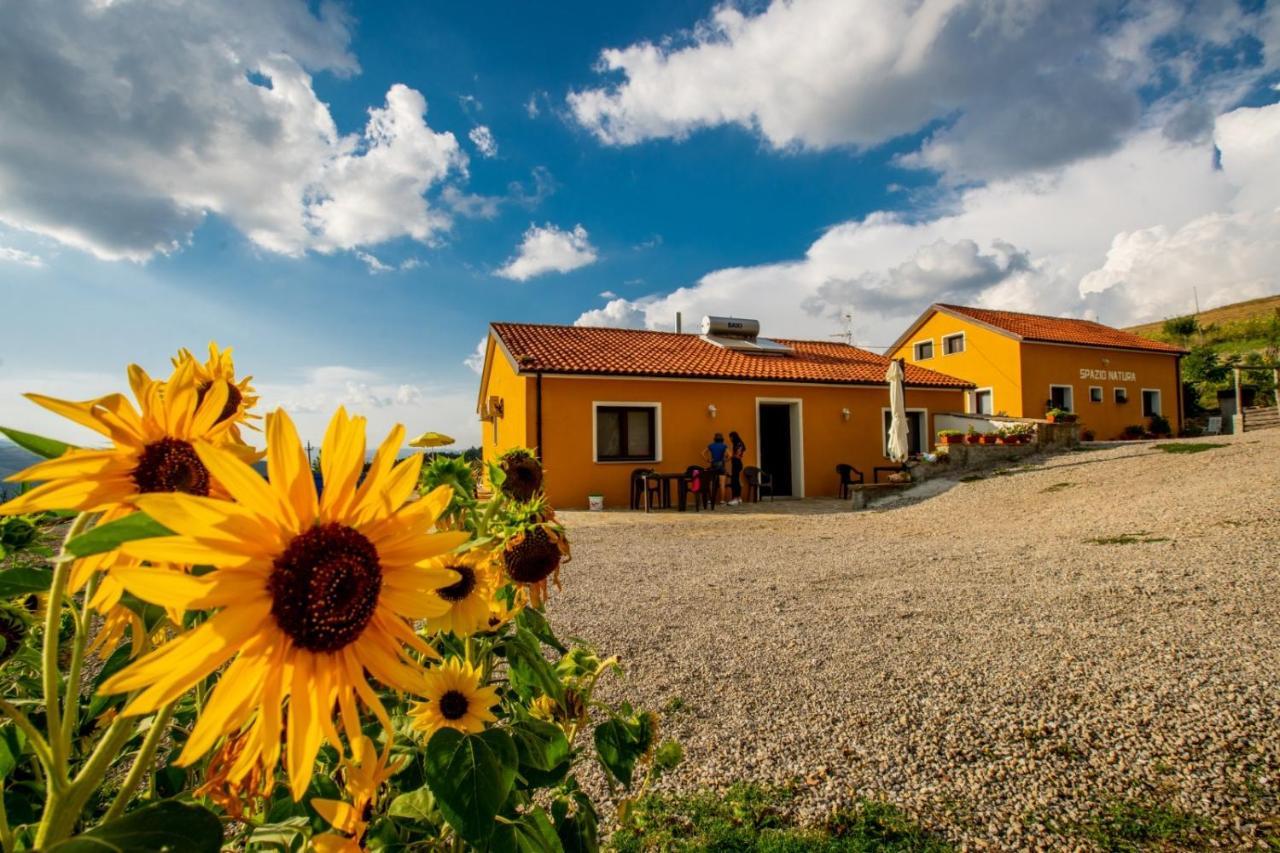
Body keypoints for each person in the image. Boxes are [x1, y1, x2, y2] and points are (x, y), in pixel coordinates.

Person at [702, 432, 728, 503]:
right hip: (721, 465)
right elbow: (730, 455)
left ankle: (711, 499)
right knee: (722, 484)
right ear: (722, 439)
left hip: (713, 465)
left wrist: (708, 460)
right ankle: (722, 500)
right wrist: (725, 460)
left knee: (711, 483)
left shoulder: (711, 445)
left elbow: (702, 453)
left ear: (715, 439)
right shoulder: (724, 446)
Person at [726, 430, 746, 505]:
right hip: (737, 464)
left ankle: (735, 498)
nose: (730, 439)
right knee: (736, 480)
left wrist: (730, 456)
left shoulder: (738, 444)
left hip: (736, 463)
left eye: (730, 437)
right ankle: (739, 498)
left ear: (733, 437)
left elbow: (737, 455)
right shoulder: (739, 443)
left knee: (734, 481)